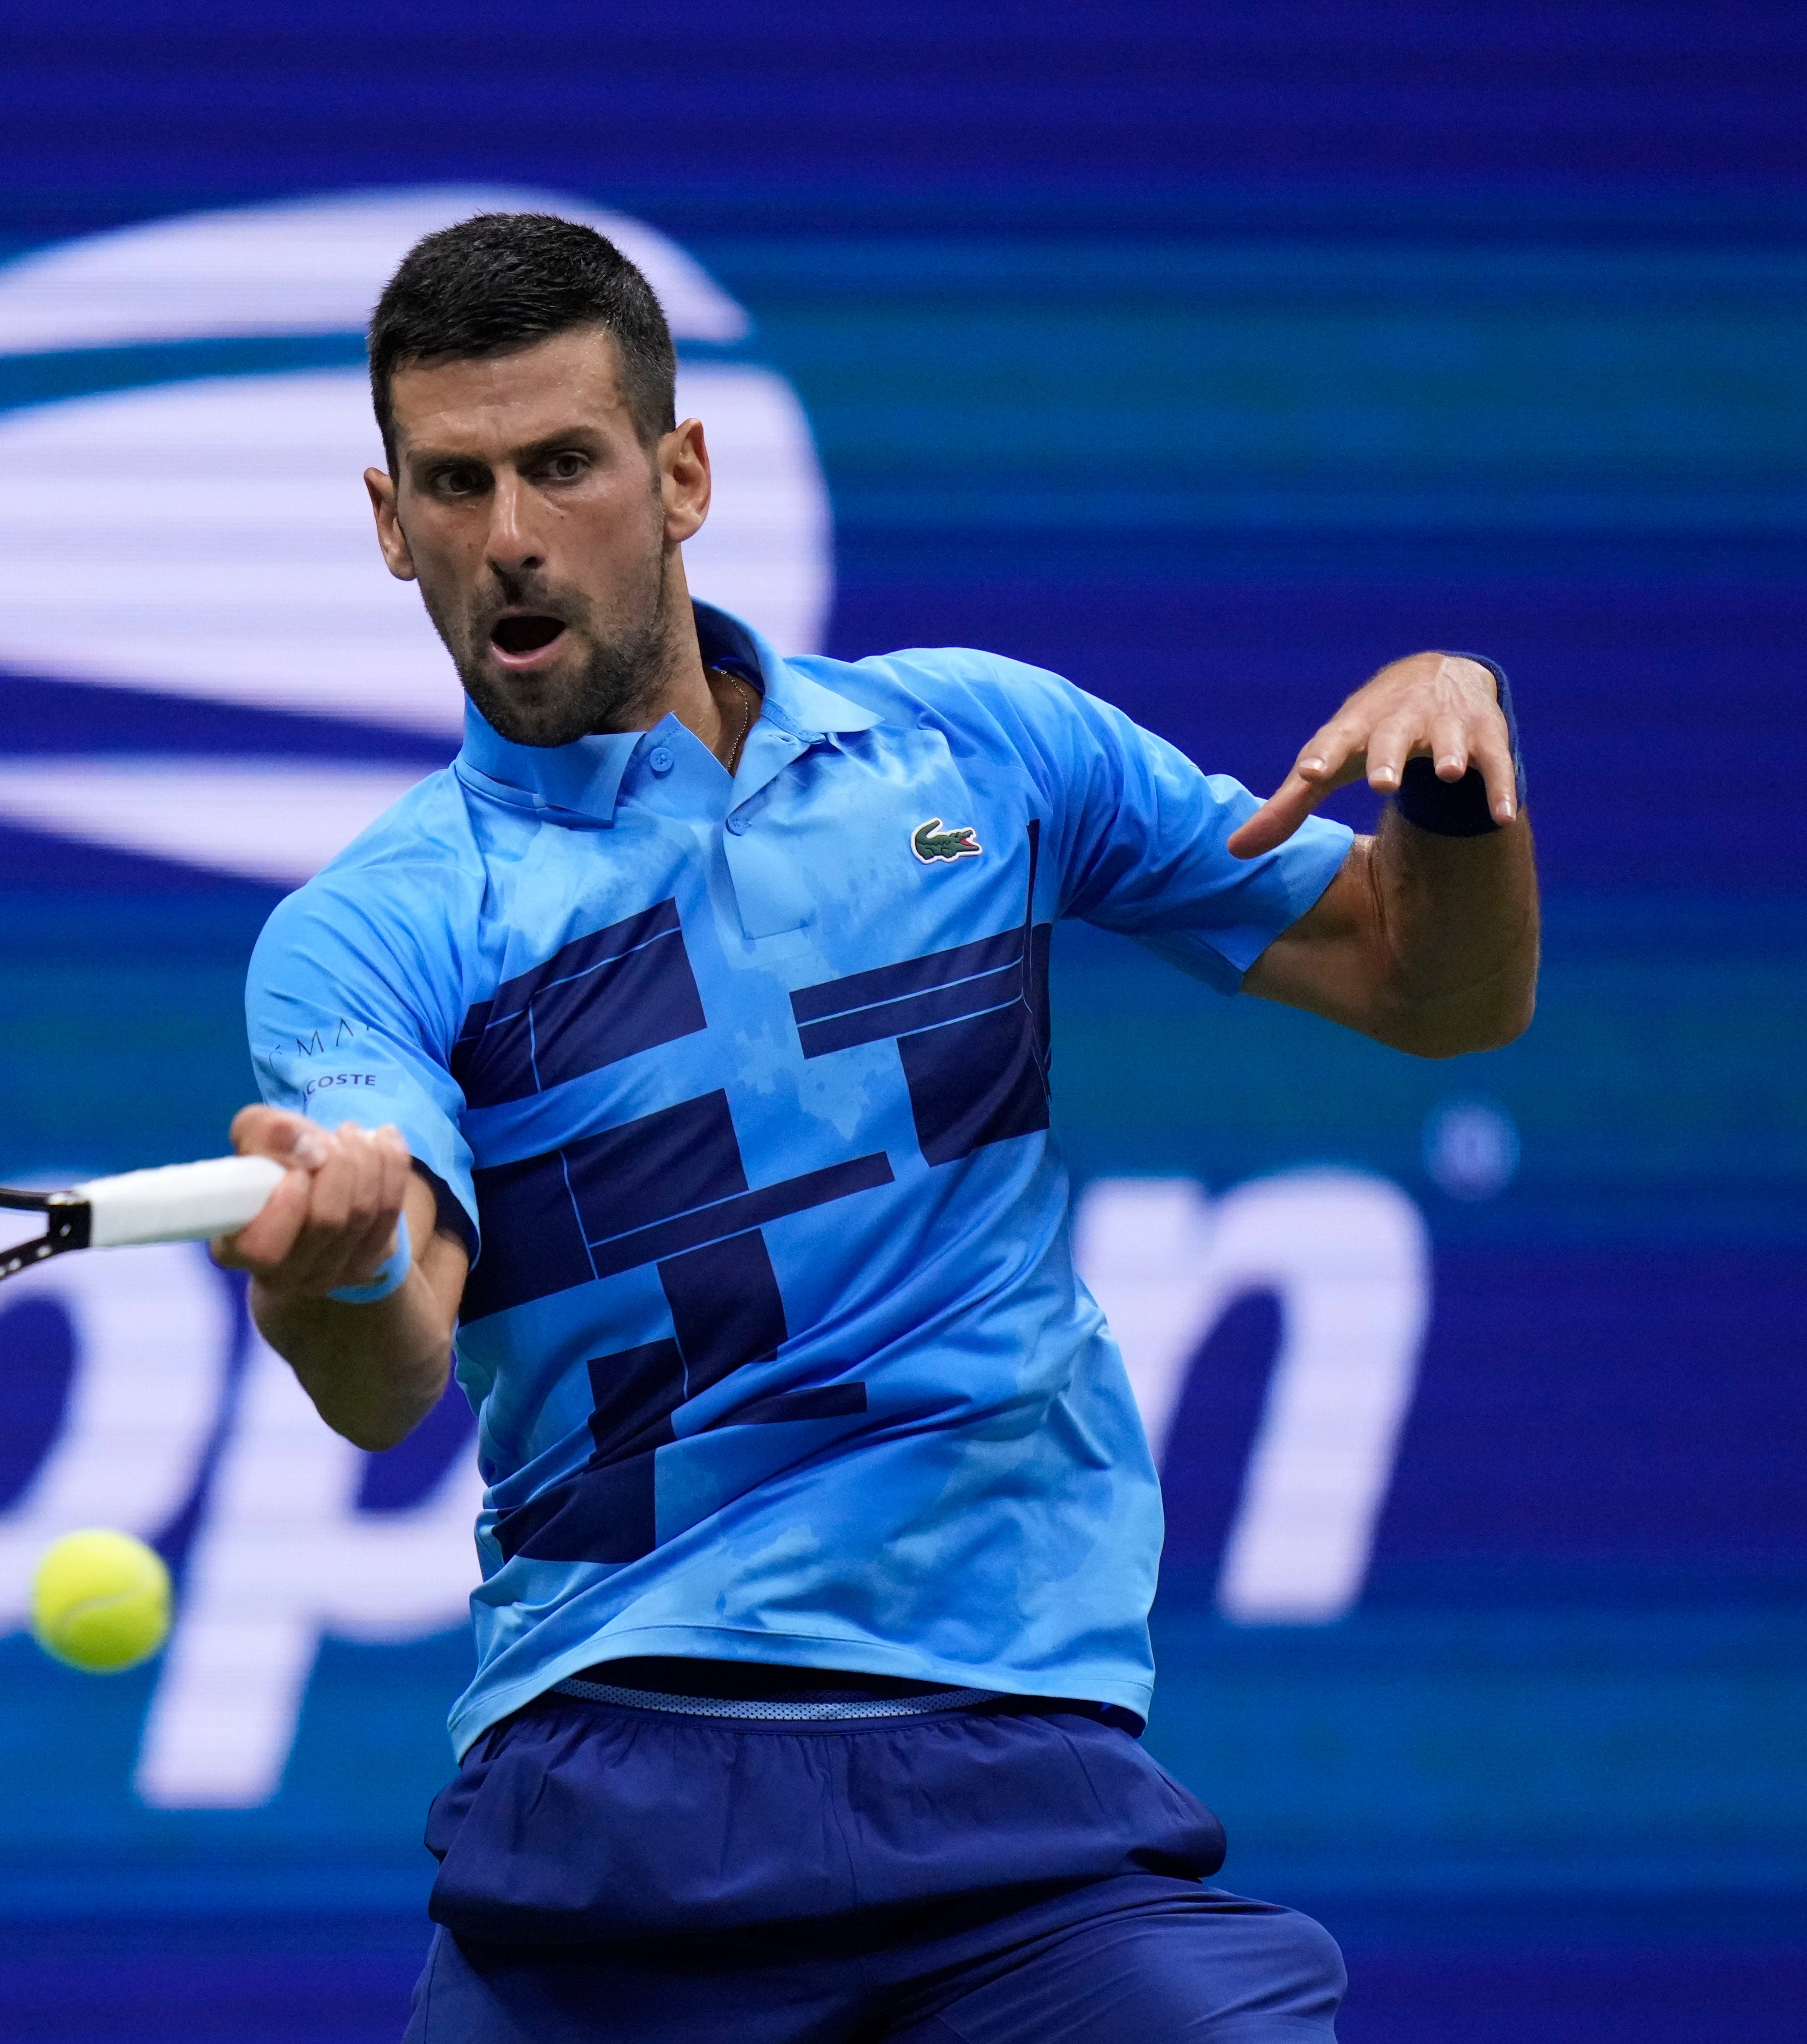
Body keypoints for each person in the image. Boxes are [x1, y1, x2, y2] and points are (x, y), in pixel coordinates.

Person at [212, 212, 1537, 2043]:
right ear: (387, 523)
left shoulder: (983, 753)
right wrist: (333, 1268)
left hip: (1010, 1791)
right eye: (452, 483)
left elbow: (1426, 982)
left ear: (680, 475)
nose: (508, 535)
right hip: (620, 1805)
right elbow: (391, 1355)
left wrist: (1457, 794)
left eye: (561, 465)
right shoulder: (377, 929)